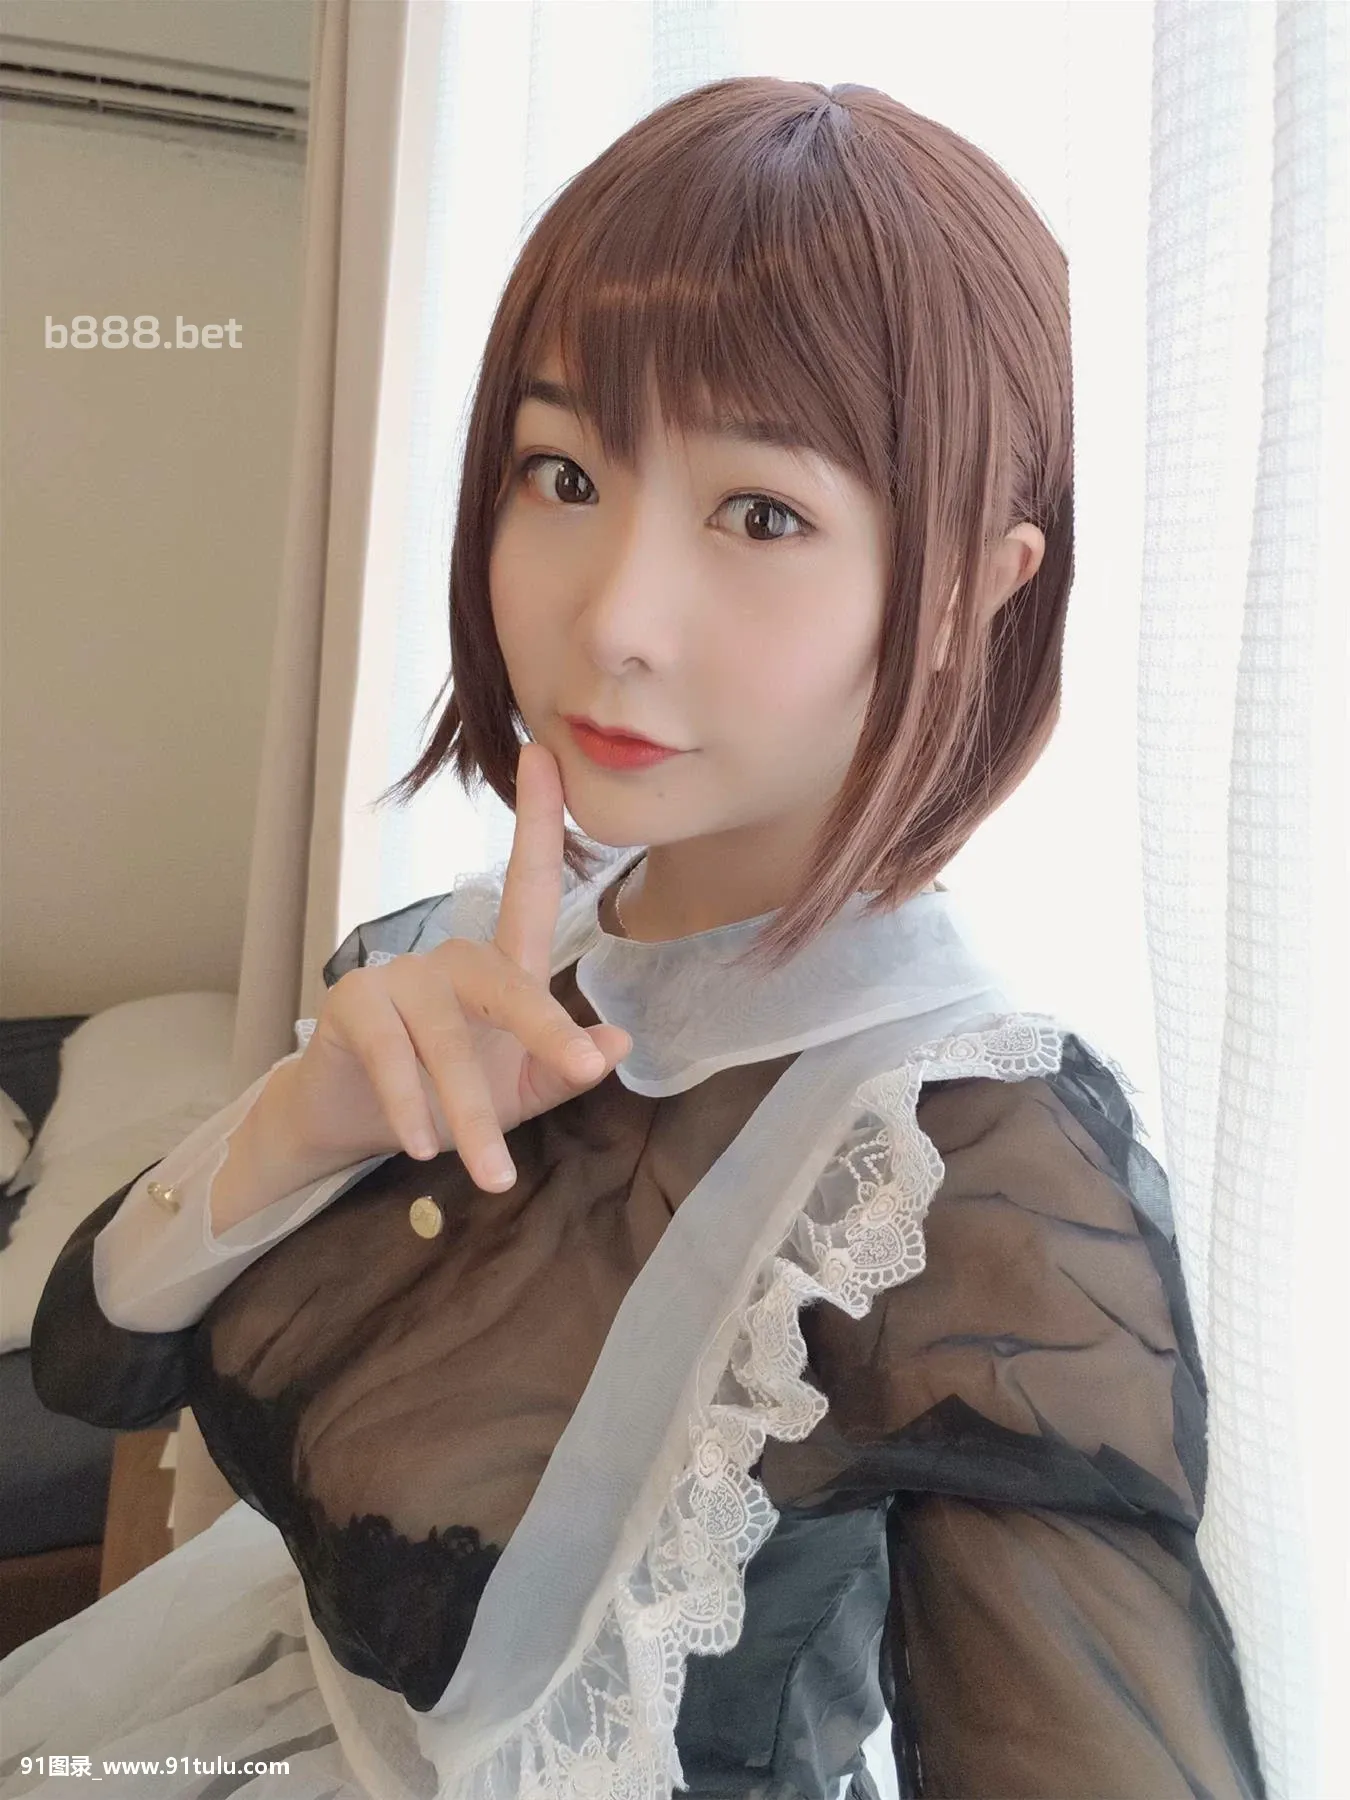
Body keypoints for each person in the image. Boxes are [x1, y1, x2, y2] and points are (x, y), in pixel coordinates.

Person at [1, 75, 1266, 1800]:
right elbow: (90, 1359)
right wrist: (304, 1120)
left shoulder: (965, 1165)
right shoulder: (451, 958)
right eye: (564, 471)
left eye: (761, 514)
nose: (612, 620)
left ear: (973, 585)